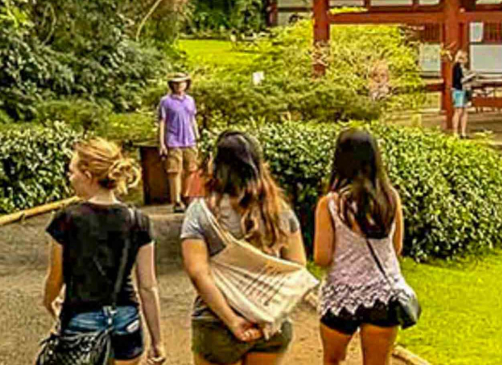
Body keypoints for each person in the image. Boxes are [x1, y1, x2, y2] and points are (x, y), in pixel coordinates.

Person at [181, 130, 307, 365]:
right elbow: (298, 267)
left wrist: (232, 320)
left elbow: (198, 273)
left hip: (215, 323)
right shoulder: (279, 211)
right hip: (269, 322)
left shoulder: (201, 212)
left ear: (216, 165)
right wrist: (267, 317)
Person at [43, 138, 165, 365]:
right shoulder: (138, 219)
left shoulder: (67, 218)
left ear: (88, 175)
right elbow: (148, 286)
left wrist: (49, 301)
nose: (70, 178)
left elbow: (55, 278)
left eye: (72, 172)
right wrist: (157, 340)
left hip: (81, 317)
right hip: (126, 317)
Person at [315, 128, 417, 365]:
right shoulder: (391, 198)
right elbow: (397, 247)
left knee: (333, 360)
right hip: (385, 294)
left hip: (341, 295)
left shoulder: (331, 204)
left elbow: (322, 257)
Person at [159, 71, 200, 213]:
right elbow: (162, 122)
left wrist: (197, 136)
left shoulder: (190, 100)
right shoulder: (165, 101)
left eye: (181, 82)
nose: (179, 85)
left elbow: (192, 118)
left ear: (186, 84)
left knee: (191, 169)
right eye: (175, 83)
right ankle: (176, 200)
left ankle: (186, 195)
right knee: (174, 171)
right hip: (173, 140)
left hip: (189, 139)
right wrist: (162, 143)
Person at [451, 50, 473, 137]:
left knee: (465, 111)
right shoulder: (456, 67)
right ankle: (455, 132)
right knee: (458, 111)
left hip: (465, 90)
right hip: (458, 90)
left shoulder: (464, 68)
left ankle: (463, 132)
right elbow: (458, 80)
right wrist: (468, 78)